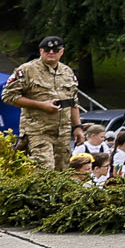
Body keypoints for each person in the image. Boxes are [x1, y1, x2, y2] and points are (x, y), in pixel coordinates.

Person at [4, 37, 82, 168]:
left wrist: (78, 127)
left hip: (62, 132)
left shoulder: (67, 72)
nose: (51, 52)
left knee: (61, 173)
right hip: (38, 131)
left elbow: (73, 101)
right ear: (41, 51)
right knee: (45, 169)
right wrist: (41, 105)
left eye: (55, 50)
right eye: (47, 50)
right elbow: (8, 96)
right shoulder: (26, 70)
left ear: (61, 52)